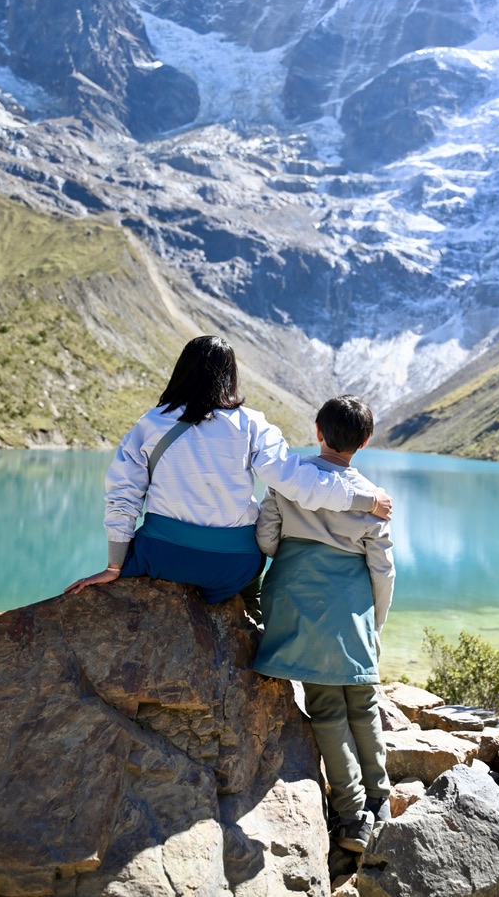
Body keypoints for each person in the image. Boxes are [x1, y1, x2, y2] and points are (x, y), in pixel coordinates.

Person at [65, 337, 392, 606]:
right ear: (230, 376)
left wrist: (114, 566)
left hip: (160, 557)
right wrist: (366, 501)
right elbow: (296, 482)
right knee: (249, 600)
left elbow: (123, 496)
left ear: (181, 371)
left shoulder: (150, 423)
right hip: (232, 565)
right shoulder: (252, 424)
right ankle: (248, 641)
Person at [252, 394, 395, 854]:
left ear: (317, 430)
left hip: (297, 602)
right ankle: (381, 800)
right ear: (366, 441)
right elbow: (383, 571)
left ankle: (352, 819)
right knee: (365, 704)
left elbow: (266, 539)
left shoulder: (289, 480)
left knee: (327, 708)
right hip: (350, 610)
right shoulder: (374, 502)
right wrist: (374, 626)